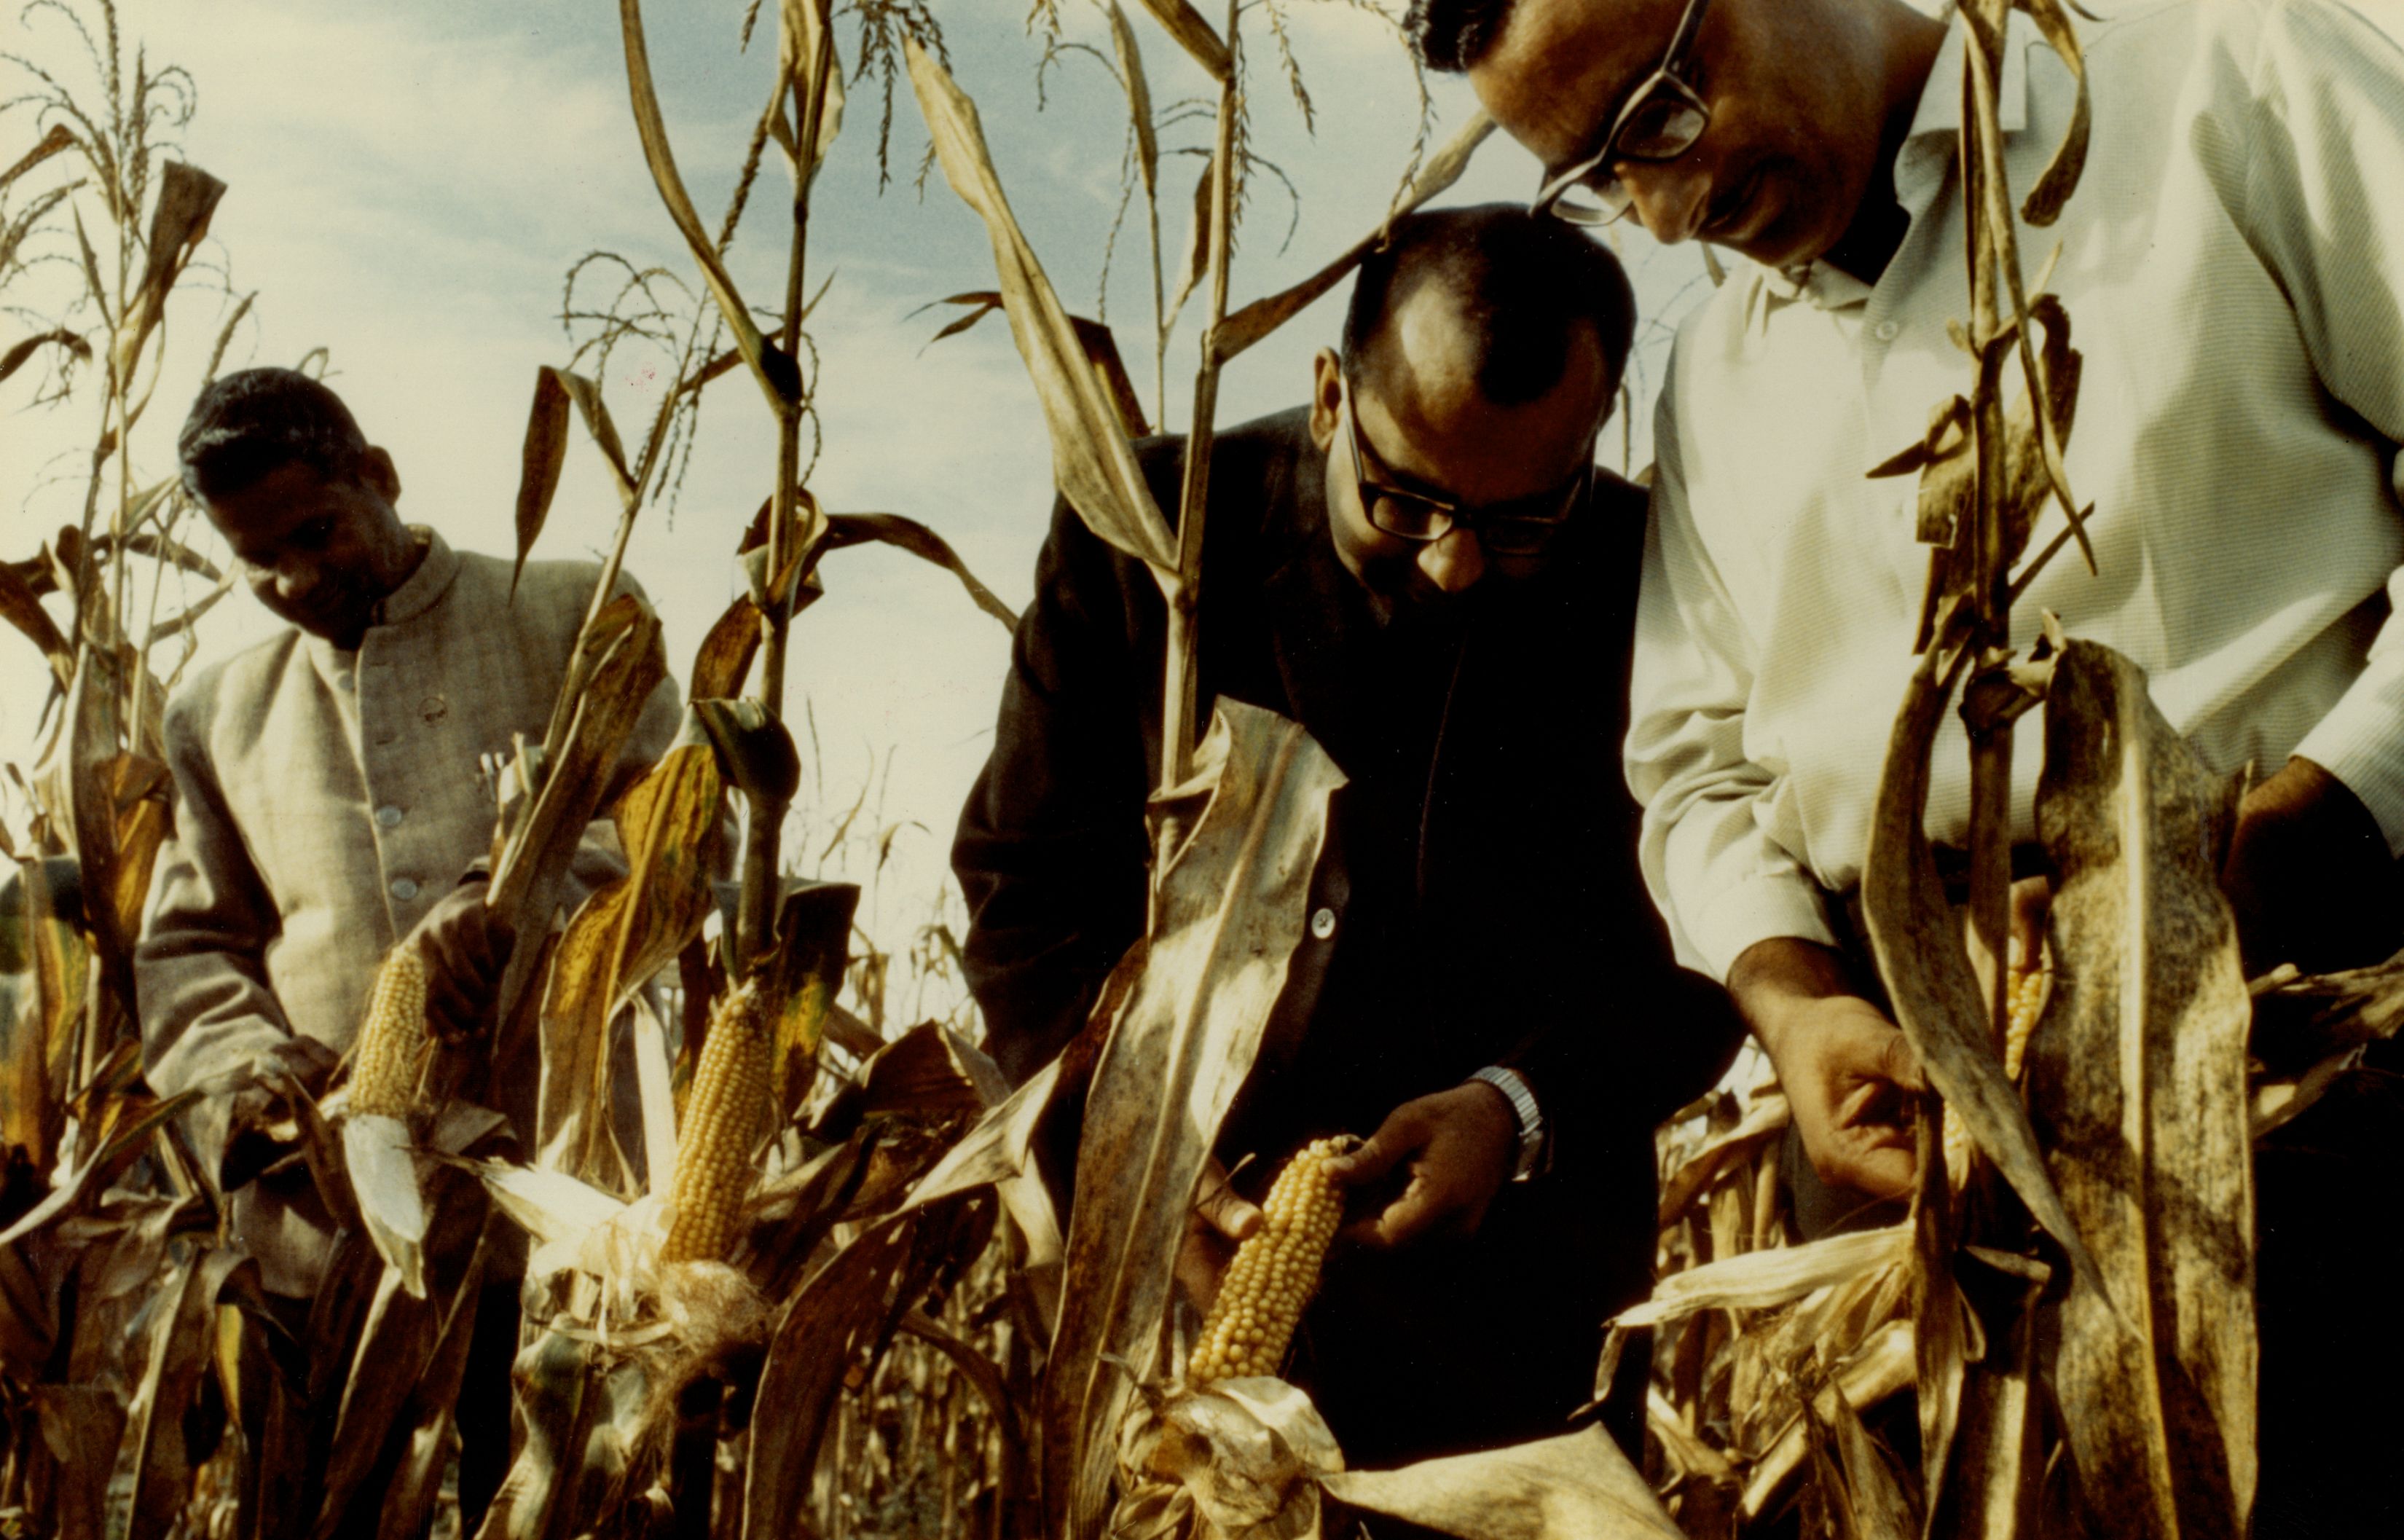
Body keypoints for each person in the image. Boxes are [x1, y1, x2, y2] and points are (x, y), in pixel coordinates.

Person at [1414, 0, 2404, 1525]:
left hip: (2314, 1044)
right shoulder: (1718, 383)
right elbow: (1694, 771)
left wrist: (2289, 842)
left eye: (1665, 104)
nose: (1672, 212)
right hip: (1909, 1118)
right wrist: (1797, 1006)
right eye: (1606, 173)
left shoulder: (2227, 75)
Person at [953, 205, 1744, 1469]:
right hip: (1175, 1293)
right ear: (1331, 393)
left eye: (1524, 521)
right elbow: (1026, 890)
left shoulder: (1657, 575)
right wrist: (1145, 1161)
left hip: (1520, 1327)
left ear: (1595, 436)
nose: (1454, 565)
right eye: (1406, 497)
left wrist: (1519, 1105)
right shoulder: (1152, 534)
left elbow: (1712, 933)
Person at [136, 367, 682, 1527]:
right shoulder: (214, 713)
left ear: (379, 478)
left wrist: (510, 897)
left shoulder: (575, 612)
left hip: (565, 1216)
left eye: (317, 532)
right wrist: (250, 1080)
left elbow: (670, 832)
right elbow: (190, 950)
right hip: (327, 1240)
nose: (296, 578)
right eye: (258, 559)